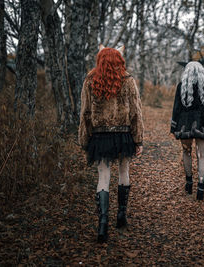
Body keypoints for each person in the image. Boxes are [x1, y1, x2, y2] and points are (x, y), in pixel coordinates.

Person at [78, 45, 143, 243]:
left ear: (100, 60)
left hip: (100, 137)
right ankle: (121, 215)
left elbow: (85, 114)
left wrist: (84, 141)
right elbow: (135, 112)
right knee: (124, 172)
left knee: (103, 176)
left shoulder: (90, 80)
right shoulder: (128, 80)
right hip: (123, 135)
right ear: (119, 60)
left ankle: (102, 224)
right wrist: (138, 139)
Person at [170, 61, 204, 200]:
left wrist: (174, 126)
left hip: (185, 124)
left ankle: (189, 183)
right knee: (201, 155)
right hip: (203, 124)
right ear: (202, 71)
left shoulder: (182, 86)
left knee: (186, 152)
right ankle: (201, 187)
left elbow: (176, 108)